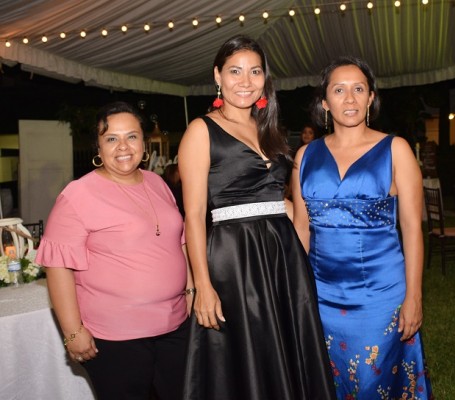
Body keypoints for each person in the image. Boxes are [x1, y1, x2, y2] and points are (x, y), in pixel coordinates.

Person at [178, 35, 336, 400]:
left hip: (282, 257)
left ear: (265, 79)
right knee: (246, 355)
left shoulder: (270, 130)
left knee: (286, 350)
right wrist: (202, 286)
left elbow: (282, 200)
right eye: (235, 71)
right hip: (234, 260)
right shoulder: (201, 130)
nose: (245, 81)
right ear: (217, 75)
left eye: (255, 72)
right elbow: (194, 215)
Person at [292, 56, 433, 398]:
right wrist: (295, 297)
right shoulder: (305, 156)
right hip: (321, 296)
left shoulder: (395, 150)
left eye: (359, 89)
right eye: (339, 90)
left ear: (371, 98)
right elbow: (301, 231)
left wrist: (413, 296)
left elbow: (413, 229)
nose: (350, 99)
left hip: (381, 297)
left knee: (376, 382)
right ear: (325, 102)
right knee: (326, 382)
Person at [35, 101, 194, 400]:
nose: (123, 146)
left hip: (174, 328)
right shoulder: (77, 195)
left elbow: (180, 242)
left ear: (144, 143)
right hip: (116, 338)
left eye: (131, 136)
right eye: (111, 138)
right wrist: (72, 332)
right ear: (98, 147)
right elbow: (57, 267)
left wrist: (190, 290)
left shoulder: (158, 183)